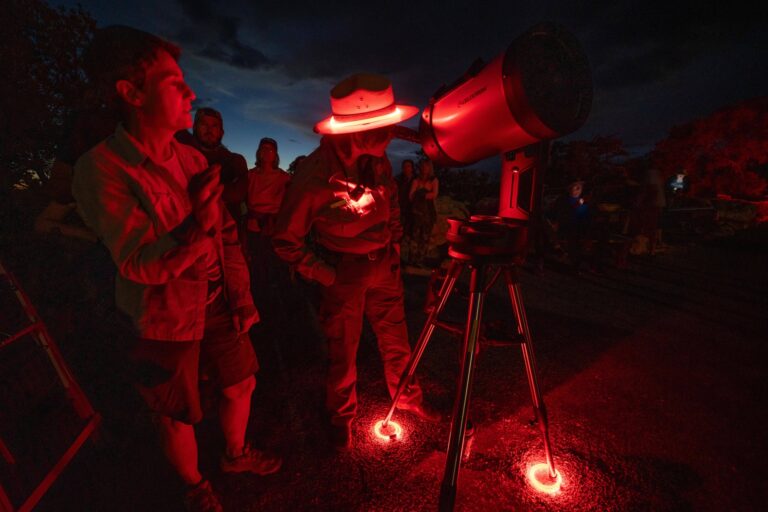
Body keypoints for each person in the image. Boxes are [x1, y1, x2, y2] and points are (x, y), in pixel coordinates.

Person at [71, 26, 280, 512]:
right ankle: (194, 486)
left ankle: (234, 454)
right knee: (173, 413)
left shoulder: (190, 158)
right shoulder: (101, 169)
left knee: (241, 381)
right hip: (162, 317)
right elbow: (137, 262)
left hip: (216, 300)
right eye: (173, 82)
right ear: (132, 92)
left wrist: (242, 296)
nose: (190, 92)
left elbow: (226, 234)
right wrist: (195, 228)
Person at [272, 73, 440, 450]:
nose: (392, 133)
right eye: (383, 127)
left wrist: (394, 246)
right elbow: (285, 240)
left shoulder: (377, 161)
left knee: (396, 338)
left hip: (384, 265)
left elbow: (393, 201)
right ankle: (340, 415)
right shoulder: (314, 175)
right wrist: (327, 274)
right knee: (342, 349)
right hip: (343, 271)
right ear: (355, 131)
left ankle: (407, 398)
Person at [244, 137, 291, 328]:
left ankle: (279, 304)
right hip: (255, 225)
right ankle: (259, 301)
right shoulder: (251, 176)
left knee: (276, 264)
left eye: (270, 149)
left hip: (275, 226)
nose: (266, 152)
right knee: (258, 264)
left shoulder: (283, 178)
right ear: (258, 152)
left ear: (275, 154)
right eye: (263, 149)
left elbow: (290, 200)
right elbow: (244, 198)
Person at [177, 107, 249, 230]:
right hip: (183, 229)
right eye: (204, 124)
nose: (209, 130)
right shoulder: (180, 151)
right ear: (194, 127)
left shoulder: (234, 161)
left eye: (214, 126)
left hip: (224, 231)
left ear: (221, 132)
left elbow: (237, 193)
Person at [548, 179, 592, 273]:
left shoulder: (583, 201)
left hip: (579, 226)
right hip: (566, 226)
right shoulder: (563, 200)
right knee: (573, 241)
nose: (577, 190)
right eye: (575, 188)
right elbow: (563, 213)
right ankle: (573, 263)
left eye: (579, 188)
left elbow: (586, 215)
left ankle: (576, 263)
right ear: (569, 189)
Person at [408, 159, 439, 266]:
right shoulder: (416, 180)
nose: (424, 168)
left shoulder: (433, 180)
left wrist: (421, 194)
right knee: (415, 236)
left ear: (430, 168)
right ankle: (412, 260)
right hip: (417, 213)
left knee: (425, 237)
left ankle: (421, 260)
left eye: (427, 166)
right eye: (423, 166)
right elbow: (411, 196)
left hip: (428, 213)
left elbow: (434, 195)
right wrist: (424, 194)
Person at [395, 159, 415, 249]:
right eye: (405, 166)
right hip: (401, 208)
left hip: (413, 210)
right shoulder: (398, 179)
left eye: (408, 166)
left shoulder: (416, 179)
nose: (406, 168)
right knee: (400, 232)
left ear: (412, 168)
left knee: (411, 233)